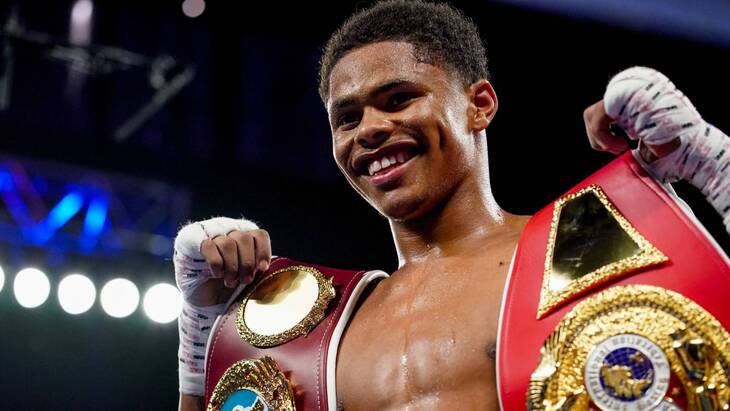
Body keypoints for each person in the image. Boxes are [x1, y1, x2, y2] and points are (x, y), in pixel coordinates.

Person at [175, 1, 730, 410]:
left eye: (399, 99)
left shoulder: (585, 246)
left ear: (479, 104)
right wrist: (199, 330)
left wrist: (711, 161)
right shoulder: (323, 326)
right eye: (347, 118)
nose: (370, 129)